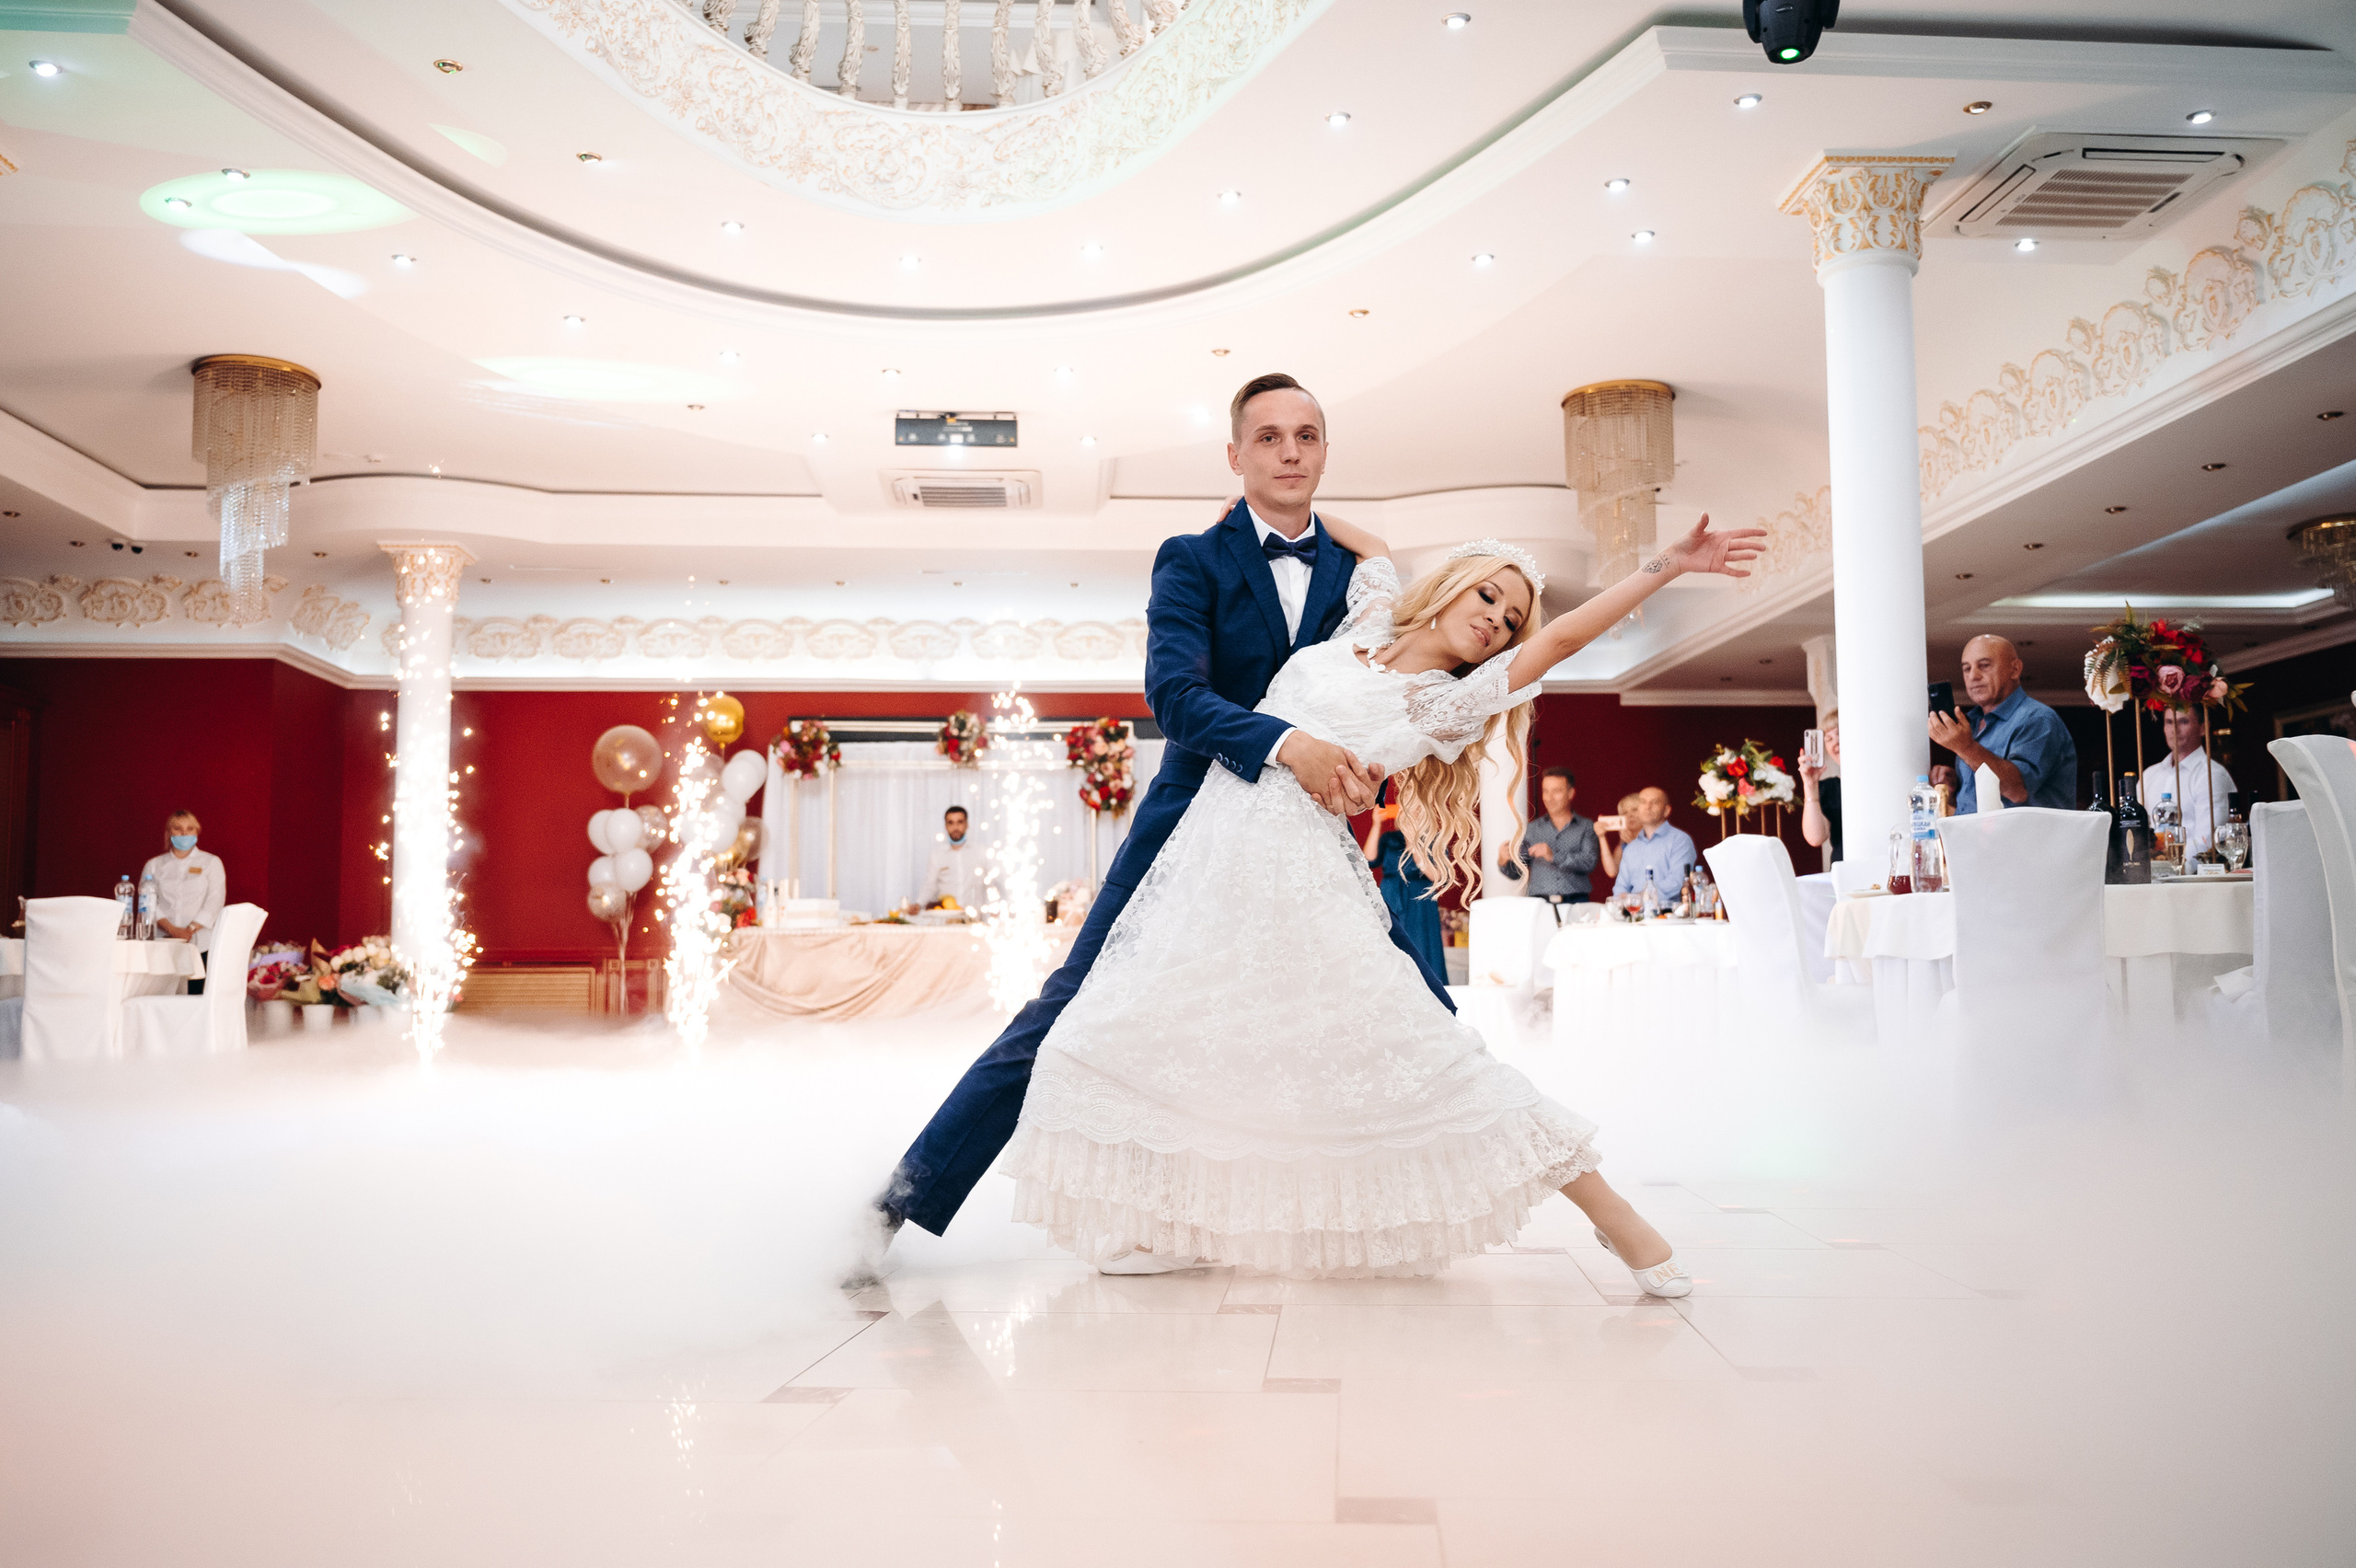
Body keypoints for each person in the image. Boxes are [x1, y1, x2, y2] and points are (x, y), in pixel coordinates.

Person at [997, 508, 1766, 1283]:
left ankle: (1615, 1218)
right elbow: (1372, 547)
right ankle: (1174, 1225)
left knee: (1423, 1051)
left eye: (1510, 619)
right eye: (1490, 597)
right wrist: (1261, 501)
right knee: (1155, 1035)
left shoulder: (1445, 702)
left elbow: (1560, 641)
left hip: (1301, 880)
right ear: (1451, 588)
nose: (1498, 621)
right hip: (1209, 865)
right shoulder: (1359, 627)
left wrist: (1667, 563)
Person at [865, 374, 1445, 1276]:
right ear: (1234, 455)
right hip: (1185, 825)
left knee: (1400, 1006)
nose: (1289, 451)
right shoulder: (1192, 557)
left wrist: (1349, 768)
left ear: (1325, 451)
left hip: (1298, 842)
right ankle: (891, 1211)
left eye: (1306, 436)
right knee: (1061, 1015)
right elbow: (1175, 699)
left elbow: (1367, 672)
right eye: (1268, 438)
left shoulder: (1351, 578)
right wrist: (1291, 745)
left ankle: (1424, 1209)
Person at [1930, 635, 2078, 812]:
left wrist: (1965, 747)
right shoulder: (1971, 722)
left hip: (2025, 838)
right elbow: (1977, 804)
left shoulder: (2037, 718)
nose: (1973, 676)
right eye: (1967, 669)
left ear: (2015, 669)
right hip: (1975, 838)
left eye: (1984, 666)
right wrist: (1953, 788)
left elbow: (2017, 791)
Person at [1363, 790, 1447, 981]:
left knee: (1421, 944)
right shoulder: (1390, 838)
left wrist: (1415, 843)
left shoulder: (1434, 840)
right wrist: (1376, 824)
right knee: (1391, 943)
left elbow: (1437, 876)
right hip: (1391, 894)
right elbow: (1369, 859)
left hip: (1420, 899)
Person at [1496, 766, 1600, 918]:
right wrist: (1504, 860)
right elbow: (1517, 874)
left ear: (1571, 793)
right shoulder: (1531, 829)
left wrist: (1553, 855)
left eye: (1556, 791)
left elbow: (1589, 862)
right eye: (1545, 791)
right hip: (1540, 905)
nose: (1549, 798)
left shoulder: (1586, 827)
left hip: (1576, 903)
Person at [141, 809, 225, 996]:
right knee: (162, 994)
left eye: (190, 829)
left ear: (197, 832)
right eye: (178, 829)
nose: (184, 833)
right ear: (168, 833)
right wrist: (173, 930)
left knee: (196, 997)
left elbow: (215, 901)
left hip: (200, 941)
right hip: (163, 939)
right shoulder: (154, 865)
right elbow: (147, 902)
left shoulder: (211, 862)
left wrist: (190, 930)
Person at [2139, 705, 2235, 858]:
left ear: (2203, 728)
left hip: (2192, 875)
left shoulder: (2212, 775)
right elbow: (2138, 831)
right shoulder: (2149, 775)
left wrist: (2173, 869)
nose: (2174, 729)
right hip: (2151, 872)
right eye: (2169, 722)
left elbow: (2207, 840)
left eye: (2183, 722)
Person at [1611, 786, 1697, 905]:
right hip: (1633, 914)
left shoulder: (1680, 840)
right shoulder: (1631, 847)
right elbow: (1620, 886)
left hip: (1668, 915)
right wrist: (1620, 901)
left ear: (1666, 810)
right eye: (1643, 802)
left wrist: (1639, 898)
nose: (1647, 807)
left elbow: (1676, 882)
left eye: (1654, 802)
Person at [919, 805, 987, 907]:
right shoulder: (937, 854)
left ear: (967, 825)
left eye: (960, 822)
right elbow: (930, 885)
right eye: (950, 823)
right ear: (946, 826)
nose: (955, 827)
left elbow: (993, 881)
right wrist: (919, 903)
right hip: (946, 916)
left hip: (974, 917)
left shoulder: (980, 851)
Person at [1799, 710, 1842, 864]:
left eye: (1841, 733)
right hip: (1843, 873)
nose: (1836, 743)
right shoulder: (1829, 788)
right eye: (1829, 739)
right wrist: (1810, 785)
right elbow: (1815, 838)